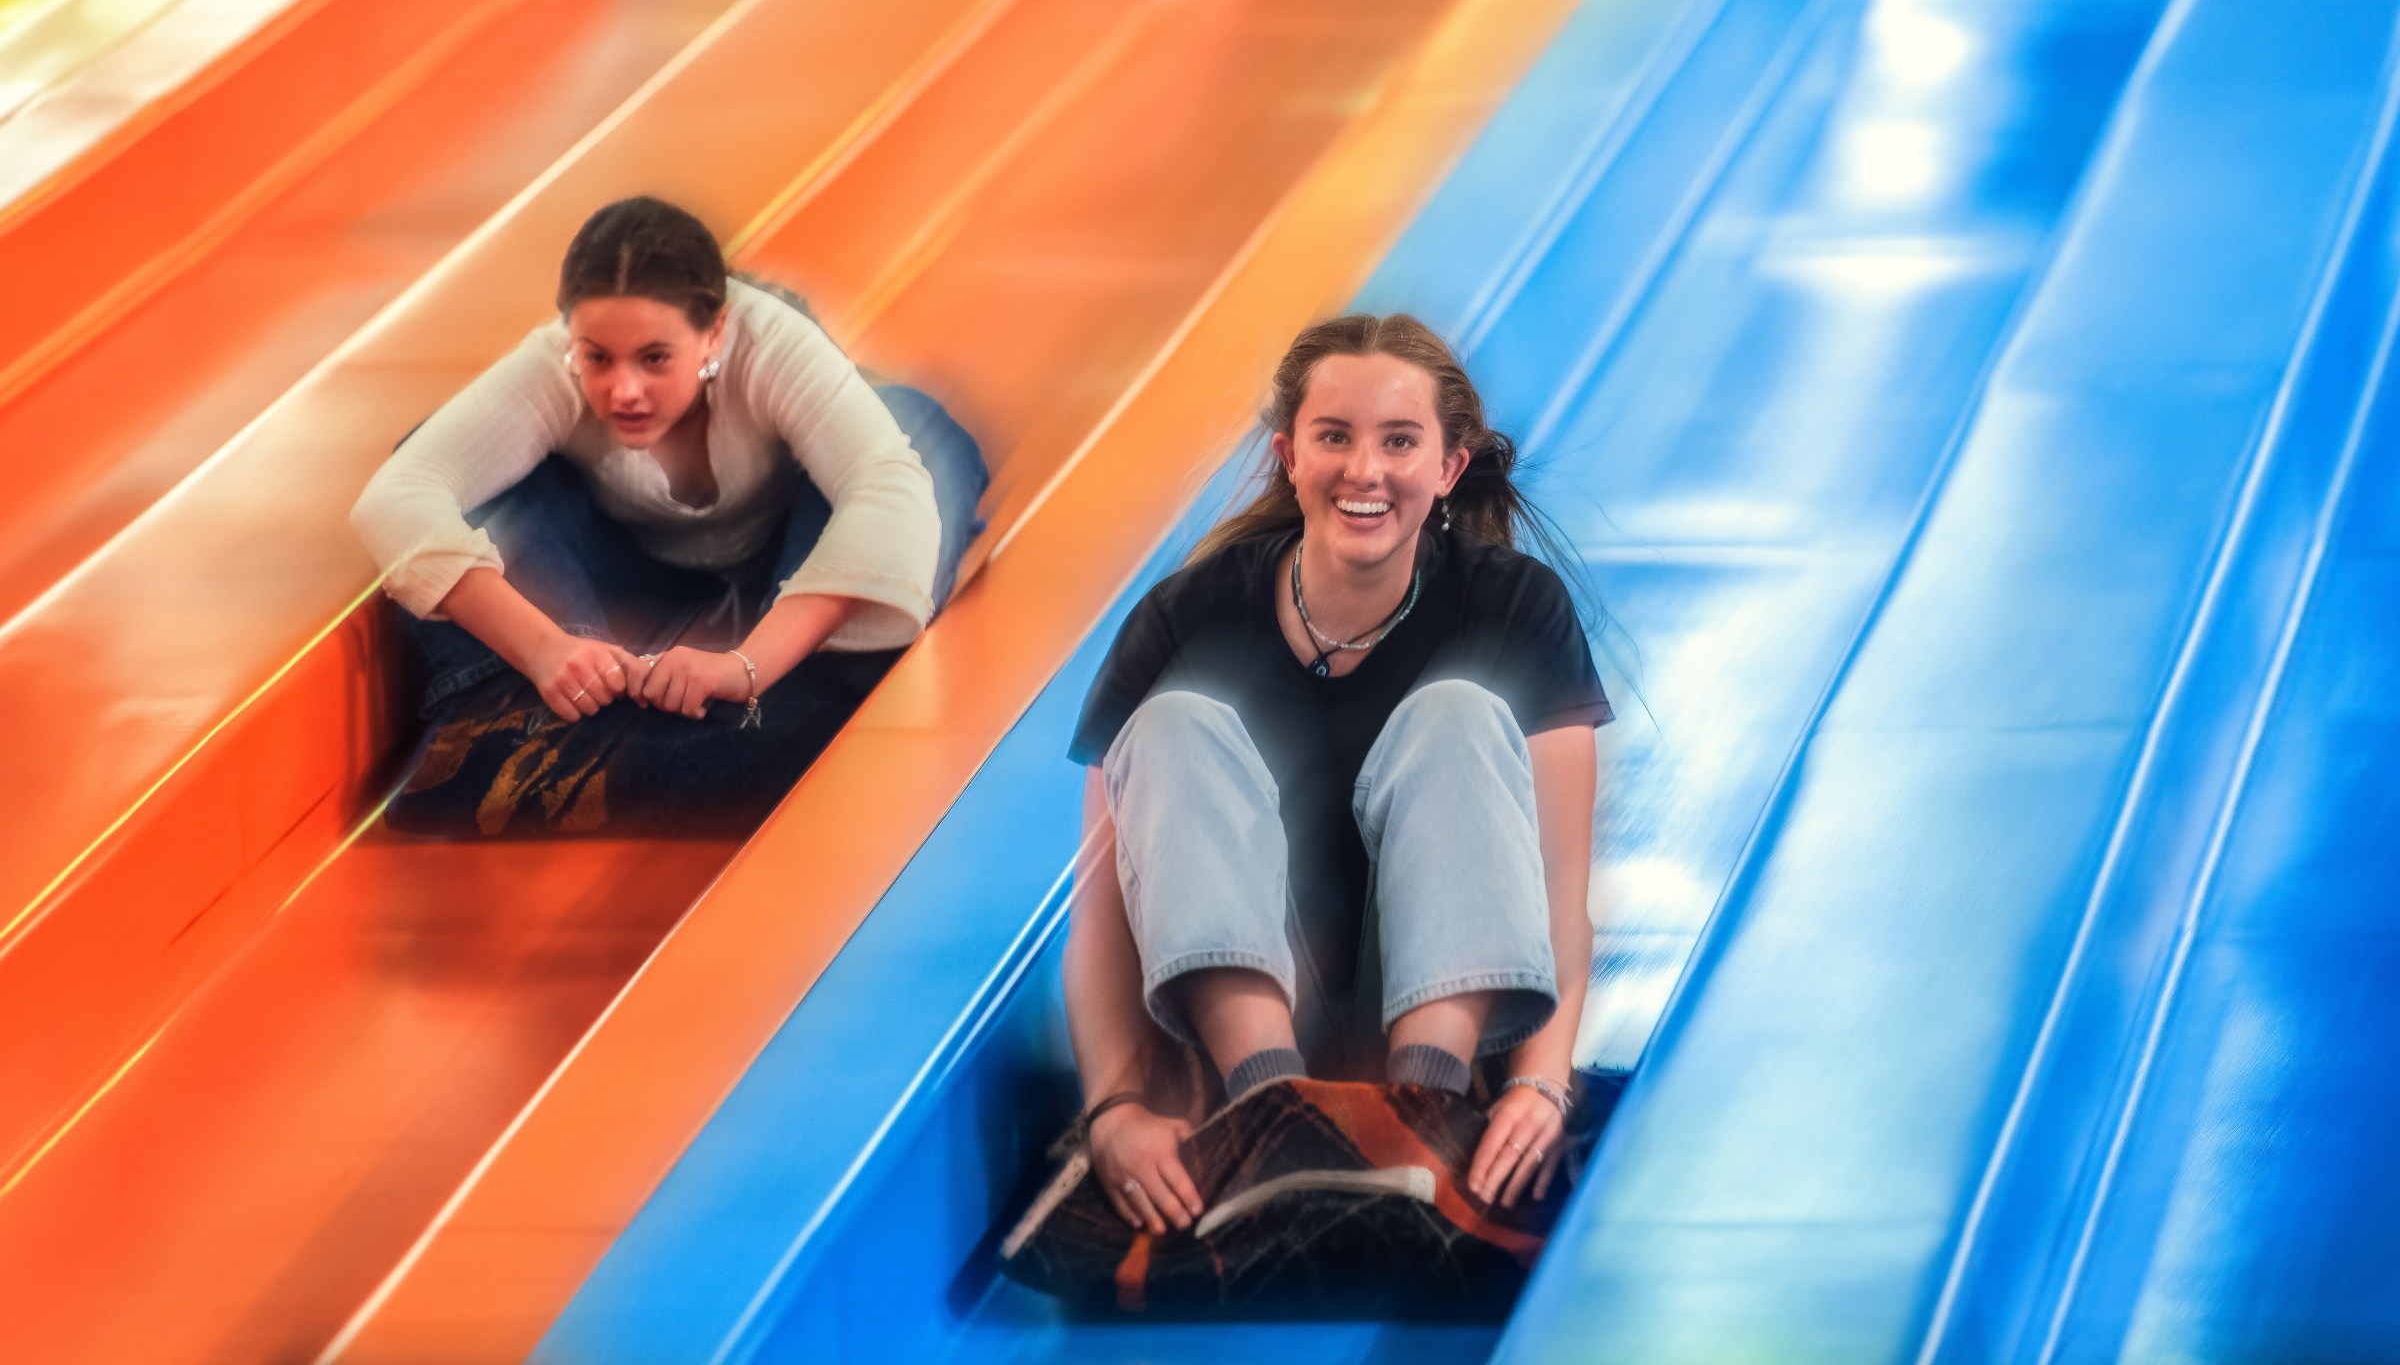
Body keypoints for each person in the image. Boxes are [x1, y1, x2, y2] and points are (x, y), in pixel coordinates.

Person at [1063, 313, 1609, 1241]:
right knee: (1175, 723)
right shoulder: (1185, 618)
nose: (1364, 470)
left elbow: (1561, 888)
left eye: (1399, 441)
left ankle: (1423, 1111)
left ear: (1448, 468)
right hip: (1245, 1048)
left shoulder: (1514, 608)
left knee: (1457, 712)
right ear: (1289, 456)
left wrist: (1542, 1083)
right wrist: (1114, 1108)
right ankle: (1272, 1113)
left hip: (1447, 1034)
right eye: (1333, 437)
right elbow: (1105, 907)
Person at [350, 196, 986, 836]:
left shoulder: (770, 342)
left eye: (655, 358)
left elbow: (886, 487)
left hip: (784, 584)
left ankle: (659, 739)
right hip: (626, 593)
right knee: (450, 460)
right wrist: (545, 648)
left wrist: (746, 667)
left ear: (715, 333)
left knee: (919, 439)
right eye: (597, 358)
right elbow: (400, 493)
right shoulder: (556, 362)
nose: (623, 390)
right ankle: (563, 720)